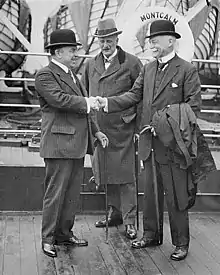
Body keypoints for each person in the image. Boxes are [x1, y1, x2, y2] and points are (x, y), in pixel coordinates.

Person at [95, 19, 211, 261]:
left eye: (156, 40)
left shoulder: (187, 70)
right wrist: (107, 103)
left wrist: (163, 125)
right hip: (149, 146)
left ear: (171, 41)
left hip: (173, 146)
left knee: (177, 196)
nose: (152, 44)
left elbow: (193, 108)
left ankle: (181, 243)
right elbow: (132, 96)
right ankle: (151, 234)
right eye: (150, 41)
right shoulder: (148, 70)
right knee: (150, 193)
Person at [35, 29, 108, 258]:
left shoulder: (73, 75)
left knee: (71, 193)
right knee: (55, 193)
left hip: (76, 144)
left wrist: (96, 132)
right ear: (58, 52)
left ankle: (64, 234)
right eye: (72, 49)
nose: (76, 53)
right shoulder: (45, 75)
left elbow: (83, 111)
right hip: (59, 144)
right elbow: (60, 100)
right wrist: (87, 101)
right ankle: (48, 238)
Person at [81, 18, 143, 240]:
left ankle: (130, 220)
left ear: (117, 38)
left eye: (109, 40)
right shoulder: (90, 64)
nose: (105, 44)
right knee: (105, 173)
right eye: (101, 40)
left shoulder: (132, 63)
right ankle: (114, 213)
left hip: (123, 129)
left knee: (126, 176)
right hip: (100, 129)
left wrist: (138, 127)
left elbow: (141, 97)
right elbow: (83, 96)